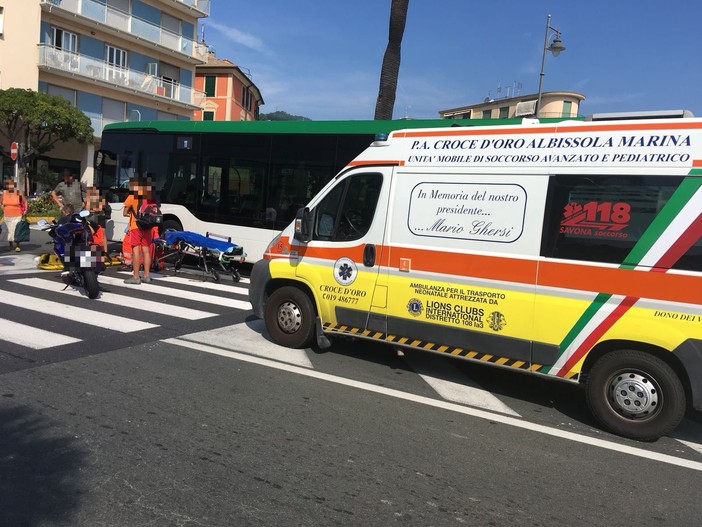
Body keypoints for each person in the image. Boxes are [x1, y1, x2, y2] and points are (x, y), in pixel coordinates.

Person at [122, 177, 155, 284]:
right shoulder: (149, 198)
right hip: (147, 227)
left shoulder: (132, 197)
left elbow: (124, 213)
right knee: (146, 251)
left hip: (135, 226)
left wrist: (132, 214)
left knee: (135, 251)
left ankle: (136, 277)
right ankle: (147, 276)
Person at [1, 178, 27, 252]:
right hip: (7, 215)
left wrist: (25, 210)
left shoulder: (18, 192)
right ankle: (11, 244)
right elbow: (1, 202)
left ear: (14, 185)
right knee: (10, 231)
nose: (11, 186)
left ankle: (18, 245)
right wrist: (2, 208)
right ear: (7, 186)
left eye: (12, 184)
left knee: (16, 230)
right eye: (9, 185)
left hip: (17, 214)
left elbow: (25, 202)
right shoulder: (4, 193)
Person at [85, 186, 109, 255]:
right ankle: (97, 250)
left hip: (100, 217)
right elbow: (87, 208)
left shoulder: (101, 198)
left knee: (103, 234)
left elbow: (100, 209)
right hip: (92, 218)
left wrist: (92, 209)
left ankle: (105, 251)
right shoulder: (89, 199)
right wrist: (93, 208)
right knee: (94, 234)